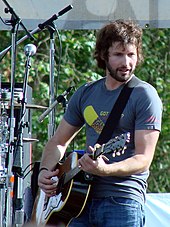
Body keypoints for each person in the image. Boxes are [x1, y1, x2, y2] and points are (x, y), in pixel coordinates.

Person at [37, 19, 162, 227]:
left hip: (122, 201)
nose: (126, 63)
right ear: (104, 55)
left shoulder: (144, 95)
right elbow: (58, 142)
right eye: (118, 55)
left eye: (131, 54)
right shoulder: (86, 93)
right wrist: (44, 172)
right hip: (77, 202)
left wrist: (105, 170)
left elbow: (143, 158)